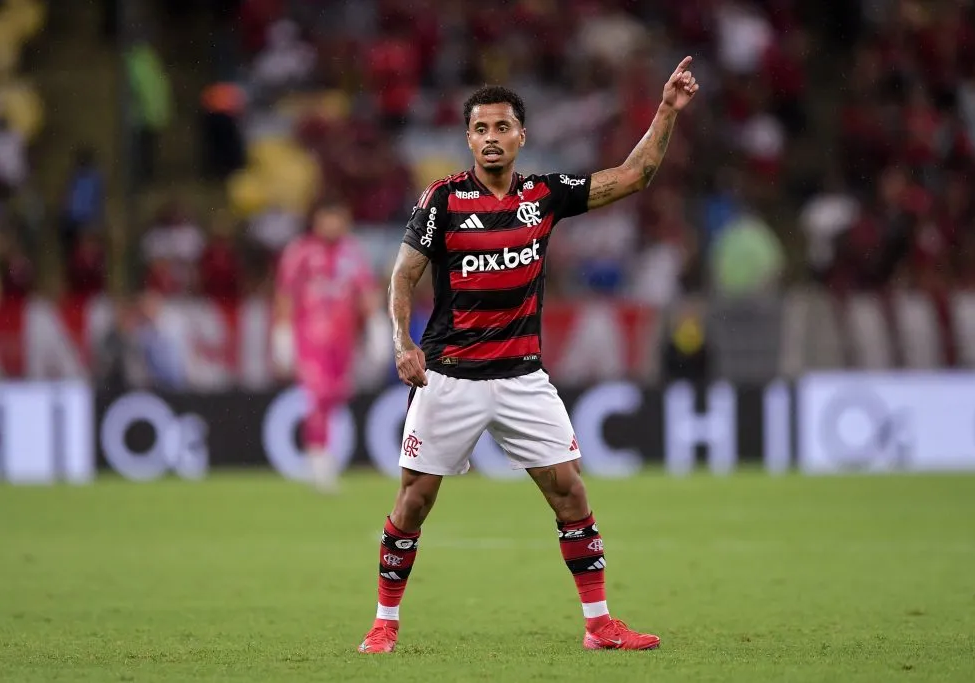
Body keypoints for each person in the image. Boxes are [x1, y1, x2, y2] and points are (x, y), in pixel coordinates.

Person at [359, 58, 700, 653]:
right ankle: (384, 622)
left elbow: (634, 174)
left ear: (522, 135)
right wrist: (402, 342)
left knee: (570, 491)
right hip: (450, 377)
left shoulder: (543, 196)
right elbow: (402, 277)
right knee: (414, 501)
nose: (491, 138)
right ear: (468, 138)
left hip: (522, 378)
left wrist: (666, 109)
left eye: (502, 127)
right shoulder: (441, 201)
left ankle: (599, 625)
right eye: (480, 129)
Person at [273, 198, 386, 492]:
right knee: (317, 394)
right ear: (318, 220)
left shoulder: (352, 253)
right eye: (328, 219)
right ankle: (318, 458)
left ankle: (321, 454)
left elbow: (366, 292)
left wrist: (376, 327)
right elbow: (285, 292)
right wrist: (282, 332)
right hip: (309, 337)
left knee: (336, 395)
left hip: (343, 339)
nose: (333, 225)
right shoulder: (301, 251)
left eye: (339, 219)